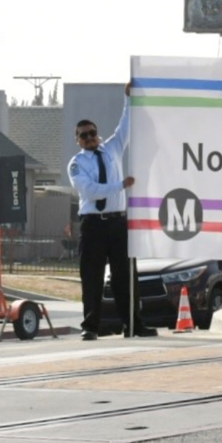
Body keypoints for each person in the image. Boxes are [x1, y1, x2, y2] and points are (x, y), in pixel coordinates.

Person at [68, 82, 156, 340]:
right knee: (92, 278)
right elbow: (90, 191)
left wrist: (128, 98)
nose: (89, 137)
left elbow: (126, 126)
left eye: (92, 132)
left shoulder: (112, 148)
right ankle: (91, 327)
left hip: (118, 223)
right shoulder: (77, 163)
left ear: (98, 133)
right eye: (83, 135)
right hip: (93, 224)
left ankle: (133, 324)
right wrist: (120, 185)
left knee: (126, 277)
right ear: (78, 140)